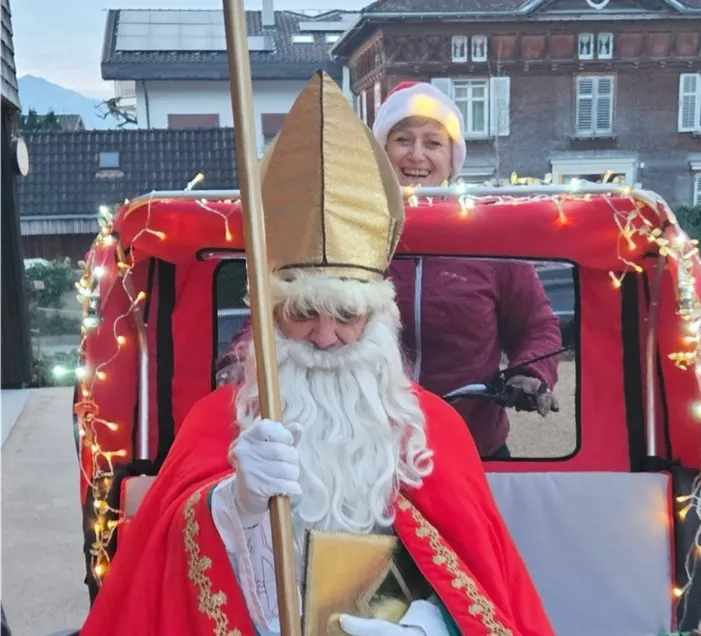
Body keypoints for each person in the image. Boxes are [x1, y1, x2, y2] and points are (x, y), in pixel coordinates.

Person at [78, 71, 555, 636]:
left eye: (347, 316)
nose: (325, 337)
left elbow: (474, 583)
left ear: (379, 319)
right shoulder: (221, 420)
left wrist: (426, 626)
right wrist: (233, 504)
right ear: (269, 318)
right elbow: (161, 572)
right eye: (303, 313)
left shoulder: (436, 431)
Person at [372, 81, 563, 460]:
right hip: (373, 451)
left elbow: (537, 325)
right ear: (382, 151)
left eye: (432, 142)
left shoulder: (487, 235)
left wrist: (531, 373)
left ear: (451, 157)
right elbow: (290, 305)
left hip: (474, 447)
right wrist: (239, 366)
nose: (416, 155)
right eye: (402, 140)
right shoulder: (351, 230)